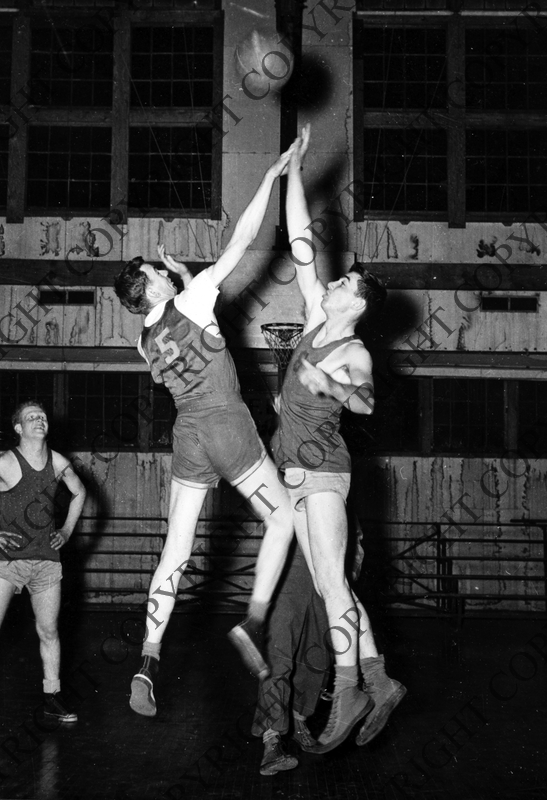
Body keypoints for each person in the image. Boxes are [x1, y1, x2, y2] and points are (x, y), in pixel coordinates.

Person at [113, 148, 296, 717]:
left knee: (176, 551)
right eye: (153, 272)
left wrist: (184, 278)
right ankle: (255, 621)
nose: (161, 270)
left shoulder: (143, 340)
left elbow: (189, 320)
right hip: (226, 426)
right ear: (150, 289)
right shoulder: (188, 300)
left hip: (187, 437)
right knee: (284, 517)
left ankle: (147, 662)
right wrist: (267, 178)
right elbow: (240, 243)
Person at [271, 126, 405, 753]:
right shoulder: (317, 314)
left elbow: (367, 402)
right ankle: (377, 678)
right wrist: (293, 171)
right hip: (295, 469)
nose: (331, 282)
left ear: (358, 304)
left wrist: (327, 382)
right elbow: (300, 239)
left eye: (344, 284)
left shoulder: (350, 349)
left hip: (325, 469)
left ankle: (350, 686)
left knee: (330, 580)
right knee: (332, 586)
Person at [0, 401, 86, 731]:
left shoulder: (58, 462)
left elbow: (79, 492)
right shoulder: (5, 463)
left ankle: (52, 697)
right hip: (7, 562)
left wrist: (66, 531)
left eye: (41, 417)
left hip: (46, 563)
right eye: (30, 418)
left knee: (49, 631)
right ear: (18, 428)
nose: (39, 420)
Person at [251, 541, 330, 776]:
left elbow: (354, 535)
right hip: (286, 568)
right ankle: (271, 739)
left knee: (318, 655)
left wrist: (349, 573)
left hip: (326, 570)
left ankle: (300, 719)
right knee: (278, 655)